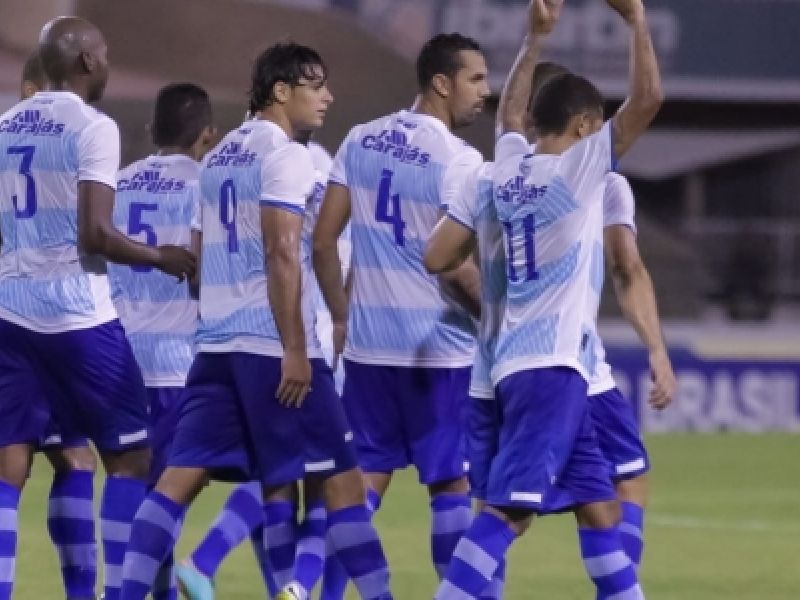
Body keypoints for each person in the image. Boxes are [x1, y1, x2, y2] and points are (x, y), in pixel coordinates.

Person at [118, 42, 393, 600]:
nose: (328, 96)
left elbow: (199, 258)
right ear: (281, 91)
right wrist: (295, 347)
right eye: (316, 85)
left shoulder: (217, 158)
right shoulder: (286, 155)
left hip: (215, 348)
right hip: (273, 347)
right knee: (343, 485)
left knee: (178, 483)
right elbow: (281, 250)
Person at [433, 0, 663, 597]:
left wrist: (534, 38)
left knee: (599, 509)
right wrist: (637, 22)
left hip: (514, 365)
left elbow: (510, 114)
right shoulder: (578, 174)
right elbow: (646, 102)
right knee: (509, 513)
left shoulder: (507, 169)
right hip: (550, 369)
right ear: (585, 126)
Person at [0, 16, 195, 600]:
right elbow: (96, 234)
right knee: (131, 458)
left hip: (10, 313)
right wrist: (162, 257)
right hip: (77, 316)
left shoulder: (4, 125)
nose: (107, 63)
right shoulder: (93, 127)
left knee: (15, 466)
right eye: (104, 54)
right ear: (86, 61)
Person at [313, 32, 489, 595]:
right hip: (439, 353)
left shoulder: (359, 140)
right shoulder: (460, 161)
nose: (485, 91)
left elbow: (324, 241)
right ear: (442, 83)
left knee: (359, 488)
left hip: (369, 352)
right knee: (451, 486)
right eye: (476, 79)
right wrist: (497, 320)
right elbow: (455, 267)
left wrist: (341, 317)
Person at [175, 137, 340, 600]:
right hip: (303, 339)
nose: (325, 102)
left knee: (274, 479)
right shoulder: (309, 162)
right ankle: (288, 584)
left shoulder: (225, 161)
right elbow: (318, 251)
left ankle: (217, 567)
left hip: (234, 339)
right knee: (330, 484)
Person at [109, 82, 215, 600]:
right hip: (178, 362)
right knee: (168, 495)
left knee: (132, 483)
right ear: (208, 135)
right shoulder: (207, 185)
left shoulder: (118, 183)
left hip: (120, 359)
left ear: (152, 129)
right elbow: (206, 276)